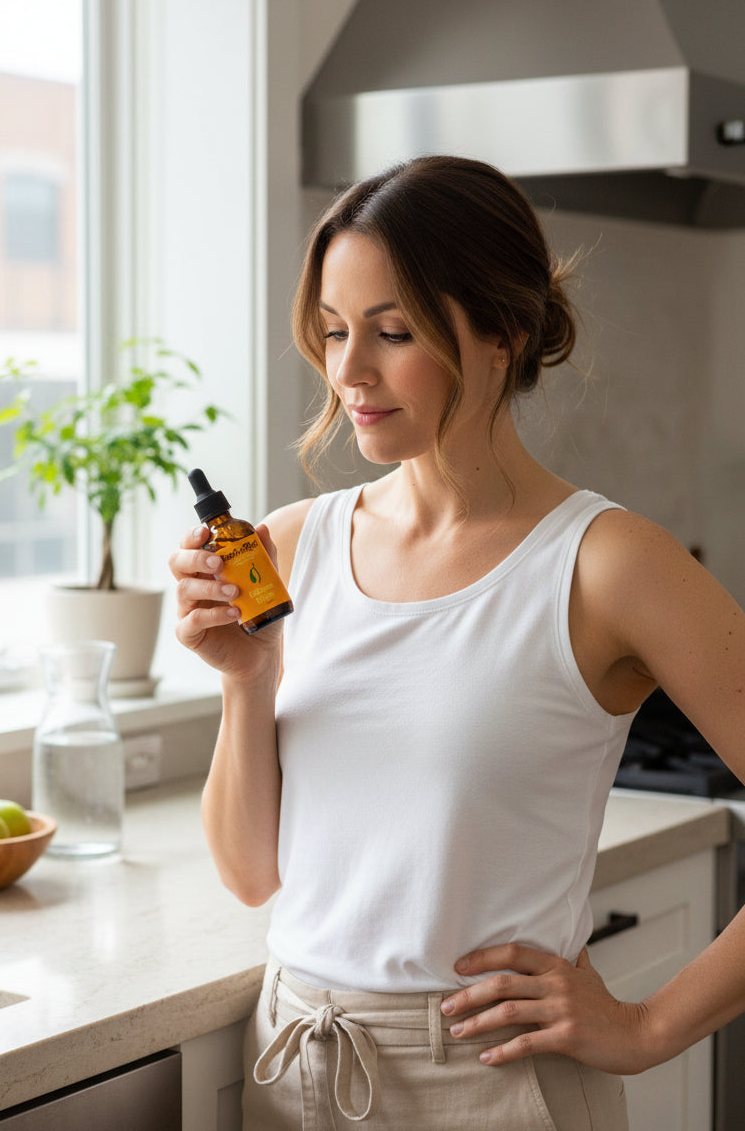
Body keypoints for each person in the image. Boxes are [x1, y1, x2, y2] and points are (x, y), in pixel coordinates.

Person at [169, 155, 745, 1131]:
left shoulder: (607, 564)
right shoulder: (295, 543)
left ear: (503, 332)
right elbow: (251, 876)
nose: (349, 370)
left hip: (493, 1080)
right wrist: (246, 679)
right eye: (335, 331)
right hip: (294, 1056)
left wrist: (649, 1027)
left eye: (392, 333)